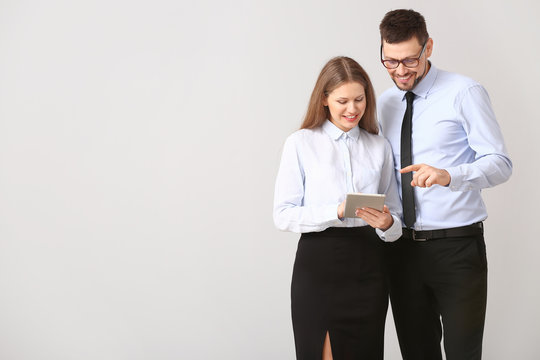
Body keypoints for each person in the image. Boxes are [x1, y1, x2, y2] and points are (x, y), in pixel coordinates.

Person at [377, 9, 513, 360]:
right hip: (401, 250)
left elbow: (500, 164)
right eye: (390, 61)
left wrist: (449, 175)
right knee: (417, 353)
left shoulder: (464, 92)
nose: (400, 71)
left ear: (429, 47)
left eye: (409, 59)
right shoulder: (384, 102)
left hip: (456, 247)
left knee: (462, 353)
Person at [273, 56, 402, 360]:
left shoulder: (379, 146)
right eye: (343, 100)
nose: (353, 109)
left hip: (369, 265)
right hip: (319, 265)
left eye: (359, 99)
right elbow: (283, 214)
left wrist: (386, 224)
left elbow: (395, 220)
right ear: (324, 100)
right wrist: (337, 211)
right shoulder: (300, 143)